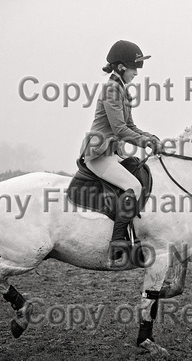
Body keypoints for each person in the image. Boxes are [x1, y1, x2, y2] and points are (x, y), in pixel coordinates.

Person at [78, 40, 161, 260]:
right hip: (98, 153)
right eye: (134, 68)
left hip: (112, 152)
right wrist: (145, 143)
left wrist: (150, 137)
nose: (136, 73)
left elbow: (130, 126)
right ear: (122, 67)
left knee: (138, 174)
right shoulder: (111, 90)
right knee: (133, 185)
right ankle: (118, 242)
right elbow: (120, 129)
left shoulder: (122, 90)